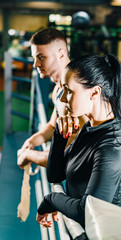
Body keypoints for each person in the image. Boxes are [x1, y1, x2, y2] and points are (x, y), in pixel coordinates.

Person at [36, 54, 121, 229]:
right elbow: (55, 175)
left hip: (117, 231)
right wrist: (59, 134)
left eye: (69, 90)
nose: (63, 99)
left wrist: (50, 199)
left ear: (95, 92)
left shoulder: (112, 146)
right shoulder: (91, 127)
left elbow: (88, 212)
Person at [17, 28, 87, 168]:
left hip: (89, 183)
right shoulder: (59, 89)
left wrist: (29, 155)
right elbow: (52, 126)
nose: (35, 64)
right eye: (34, 57)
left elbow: (72, 155)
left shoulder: (77, 90)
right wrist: (32, 141)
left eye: (41, 57)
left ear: (60, 54)